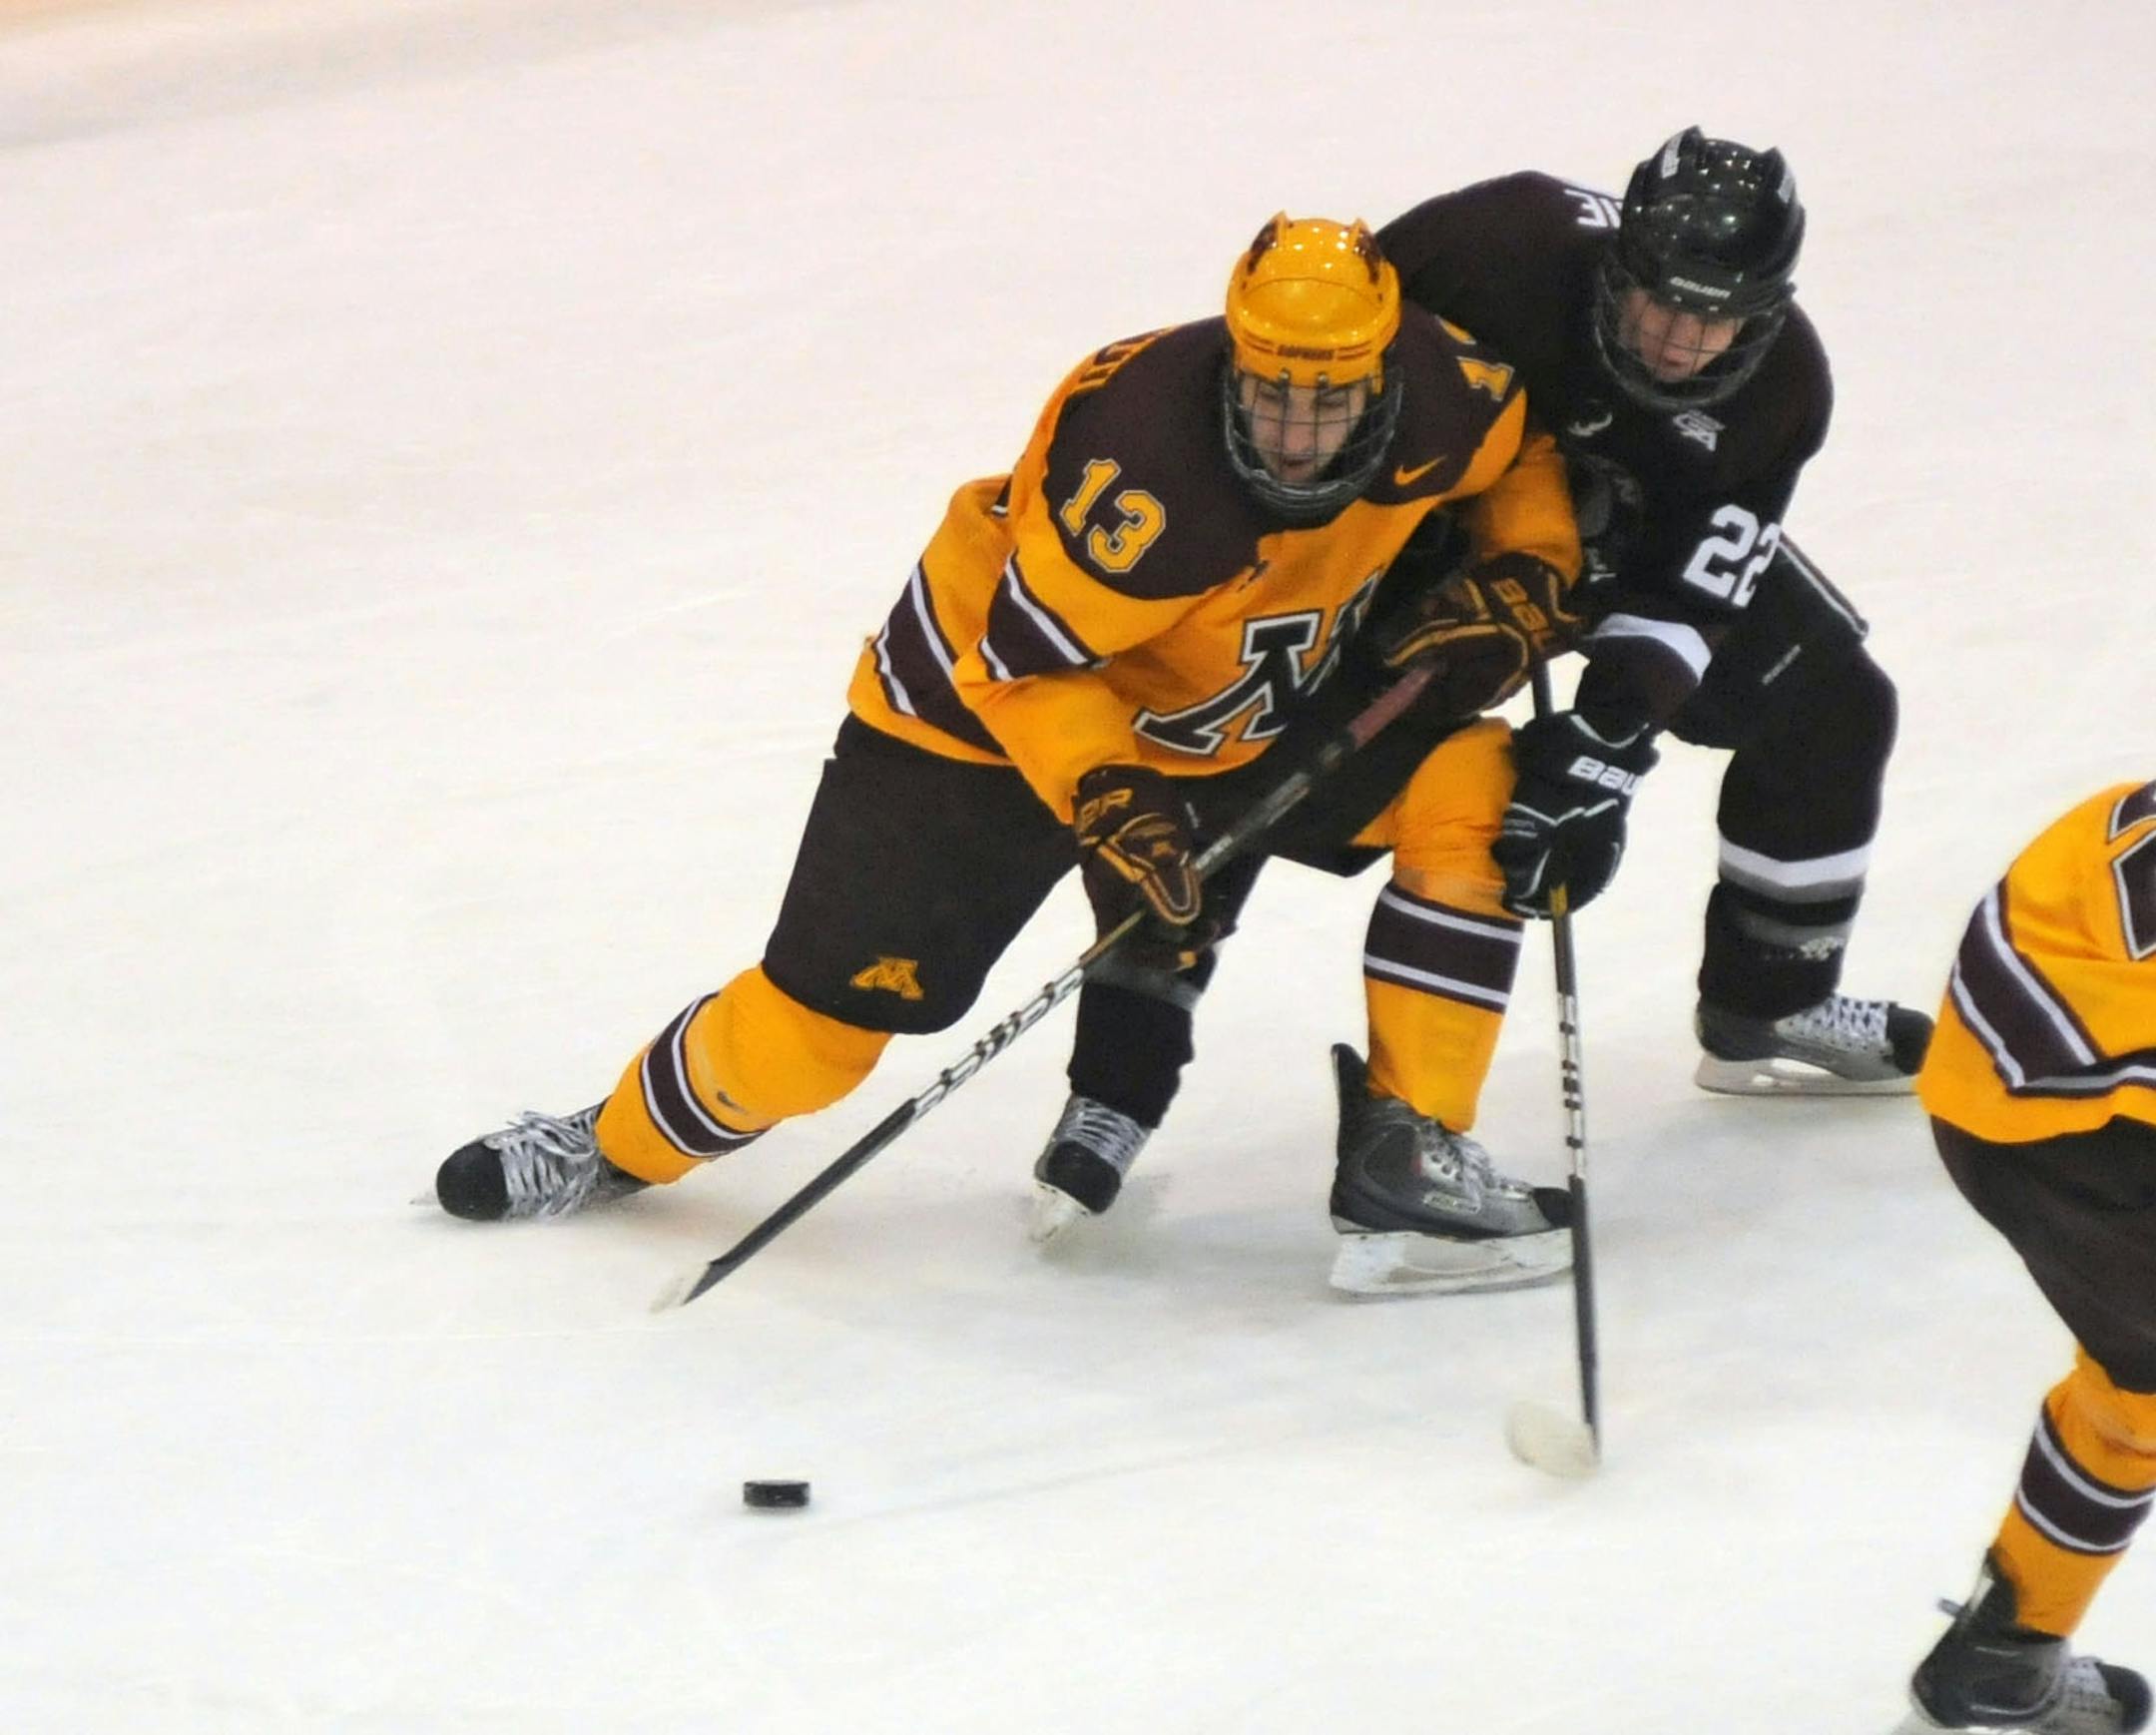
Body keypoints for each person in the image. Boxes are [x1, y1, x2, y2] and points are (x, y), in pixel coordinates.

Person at [431, 212, 1585, 1296]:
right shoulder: (1142, 468)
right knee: (816, 1039)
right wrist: (1111, 796)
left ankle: (1412, 1155)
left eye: (1324, 406)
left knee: (1474, 789)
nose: (1290, 435)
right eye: (1268, 395)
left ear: (1382, 377)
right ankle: (612, 1141)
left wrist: (1532, 563)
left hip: (1226, 703)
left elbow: (1519, 460)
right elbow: (1025, 669)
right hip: (978, 719)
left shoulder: (1446, 393)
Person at [1030, 127, 1935, 1251]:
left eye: (1713, 316)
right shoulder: (1493, 243)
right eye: (1655, 298)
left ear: (1767, 308)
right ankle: (1119, 1079)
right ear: (1620, 260)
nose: (1673, 336)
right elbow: (1330, 385)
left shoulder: (1785, 387)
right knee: (1252, 739)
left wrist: (1601, 753)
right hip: (1408, 550)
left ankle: (1768, 996)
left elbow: (1695, 594)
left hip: (1613, 561)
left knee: (1838, 703)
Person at [1889, 782, 2154, 1734]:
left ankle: (2004, 1659)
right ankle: (2002, 1660)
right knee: (2147, 1396)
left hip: (2037, 1072)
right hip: (2073, 1129)